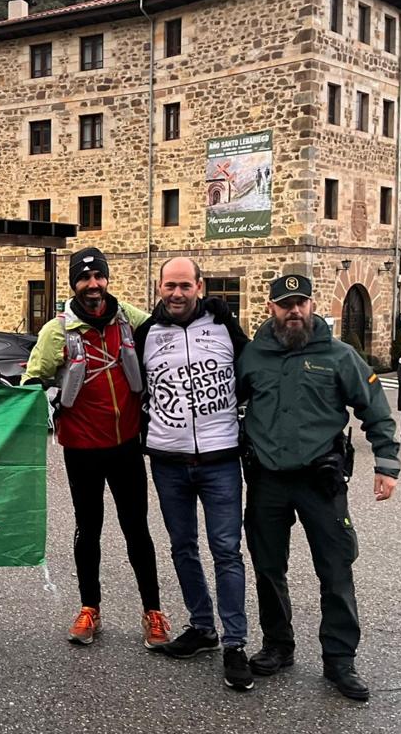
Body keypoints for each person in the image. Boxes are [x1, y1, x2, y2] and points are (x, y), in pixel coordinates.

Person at [237, 274, 401, 701]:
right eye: (285, 304)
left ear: (311, 305)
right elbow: (224, 401)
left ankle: (340, 659)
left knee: (335, 568)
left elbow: (376, 410)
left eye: (301, 302)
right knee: (268, 567)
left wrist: (386, 464)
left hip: (319, 481)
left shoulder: (339, 355)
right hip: (267, 480)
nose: (295, 311)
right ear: (271, 309)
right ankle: (278, 645)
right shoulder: (253, 356)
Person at [22, 247, 171, 650]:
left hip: (126, 446)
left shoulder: (130, 320)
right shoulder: (58, 331)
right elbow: (31, 381)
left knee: (137, 529)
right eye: (84, 279)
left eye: (98, 277)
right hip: (82, 449)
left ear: (107, 279)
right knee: (88, 530)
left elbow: (171, 333)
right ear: (74, 284)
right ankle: (90, 607)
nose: (93, 285)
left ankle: (153, 611)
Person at [133, 257, 252, 690]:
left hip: (220, 459)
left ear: (200, 286)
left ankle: (235, 642)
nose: (177, 293)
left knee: (226, 550)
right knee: (183, 547)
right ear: (159, 287)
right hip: (168, 461)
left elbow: (256, 375)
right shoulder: (145, 334)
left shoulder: (225, 326)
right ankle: (202, 628)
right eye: (170, 286)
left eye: (185, 285)